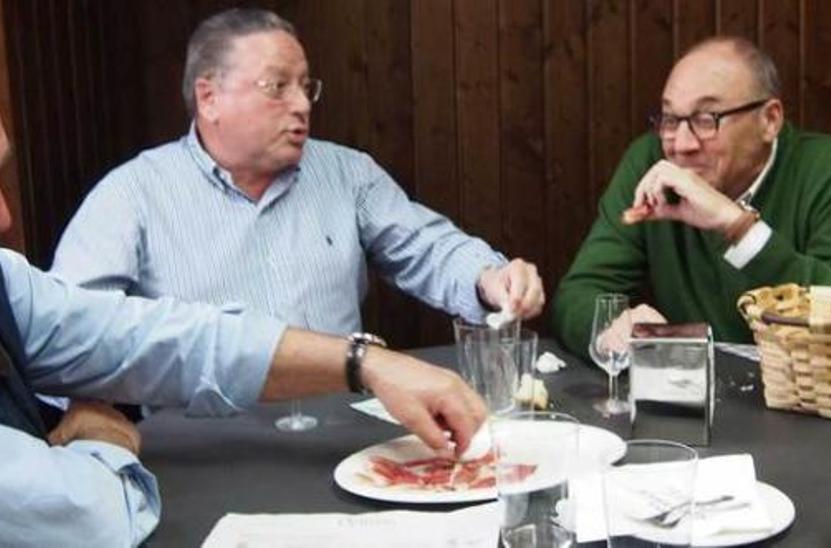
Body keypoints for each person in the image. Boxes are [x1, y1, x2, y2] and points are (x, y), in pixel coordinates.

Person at [0, 19, 485, 545]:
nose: (0, 215)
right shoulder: (134, 191)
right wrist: (104, 439)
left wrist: (362, 362)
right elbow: (81, 523)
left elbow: (152, 337)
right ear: (207, 96)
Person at [50, 8, 544, 337]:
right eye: (277, 86)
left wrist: (488, 277)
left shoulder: (346, 174)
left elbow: (428, 248)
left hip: (341, 428)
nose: (302, 104)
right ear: (209, 97)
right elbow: (69, 327)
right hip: (203, 443)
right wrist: (92, 404)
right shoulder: (133, 195)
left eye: (306, 86)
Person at [550, 36, 831, 357]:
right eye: (670, 119)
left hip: (804, 401)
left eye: (706, 119)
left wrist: (737, 227)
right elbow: (578, 294)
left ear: (770, 120)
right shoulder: (652, 165)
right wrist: (612, 330)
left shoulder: (828, 169)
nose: (681, 143)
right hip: (687, 397)